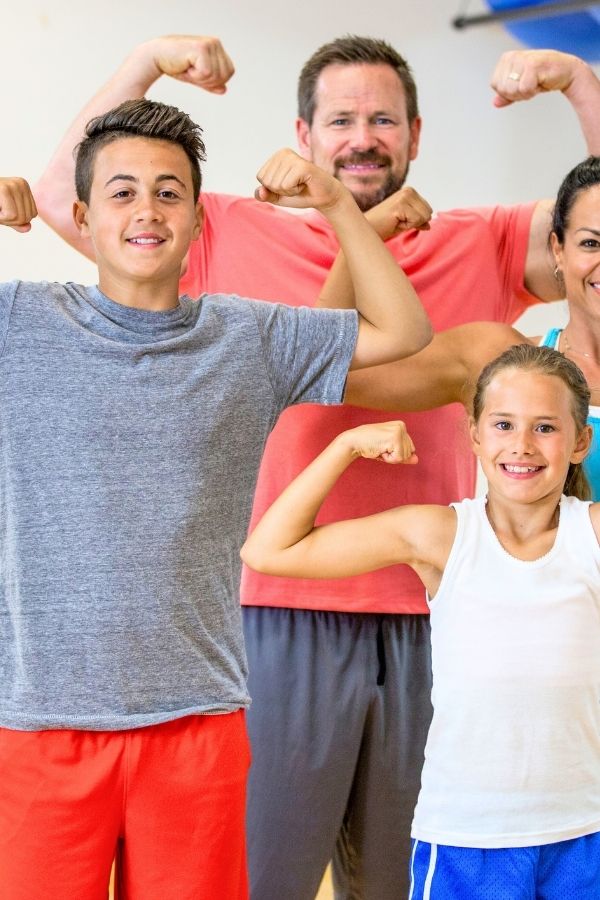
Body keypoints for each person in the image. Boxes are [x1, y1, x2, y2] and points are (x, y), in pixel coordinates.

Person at [33, 34, 600, 899]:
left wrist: (580, 81)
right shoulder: (220, 225)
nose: (362, 137)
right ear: (303, 134)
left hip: (440, 611)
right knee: (268, 877)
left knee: (400, 876)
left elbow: (591, 225)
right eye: (340, 120)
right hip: (281, 605)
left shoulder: (479, 238)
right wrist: (147, 62)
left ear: (416, 132)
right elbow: (66, 195)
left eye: (382, 119)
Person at [0, 98, 432, 900]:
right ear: (85, 216)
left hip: (197, 720)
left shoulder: (250, 338)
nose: (147, 210)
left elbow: (404, 331)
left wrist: (336, 202)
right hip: (39, 720)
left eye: (170, 192)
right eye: (123, 192)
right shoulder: (18, 322)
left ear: (199, 221)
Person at [241, 342, 600, 899]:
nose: (522, 446)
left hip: (584, 833)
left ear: (581, 441)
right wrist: (344, 446)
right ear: (475, 434)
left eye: (546, 428)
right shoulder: (442, 536)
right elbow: (269, 551)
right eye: (503, 424)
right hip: (465, 838)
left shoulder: (592, 535)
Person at [344, 155, 600, 498]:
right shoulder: (498, 361)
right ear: (558, 250)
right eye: (591, 243)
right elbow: (328, 367)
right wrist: (354, 226)